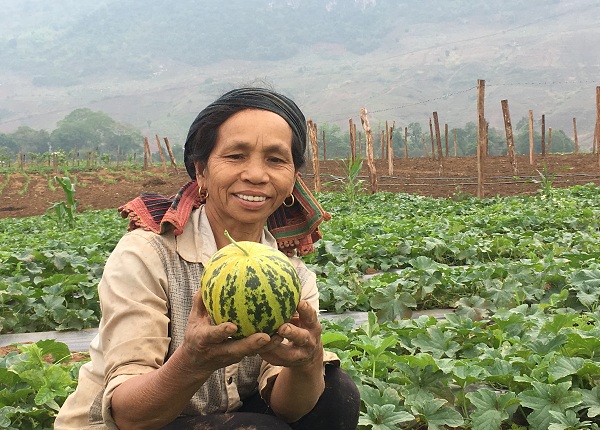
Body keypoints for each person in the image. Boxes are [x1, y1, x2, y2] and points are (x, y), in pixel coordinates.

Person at [54, 87, 361, 430]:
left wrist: (306, 362)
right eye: (235, 156)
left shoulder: (290, 273)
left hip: (225, 417)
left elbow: (290, 410)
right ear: (201, 171)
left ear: (292, 179)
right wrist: (192, 361)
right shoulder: (147, 254)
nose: (257, 175)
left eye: (276, 160)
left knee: (335, 392)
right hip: (128, 424)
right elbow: (129, 416)